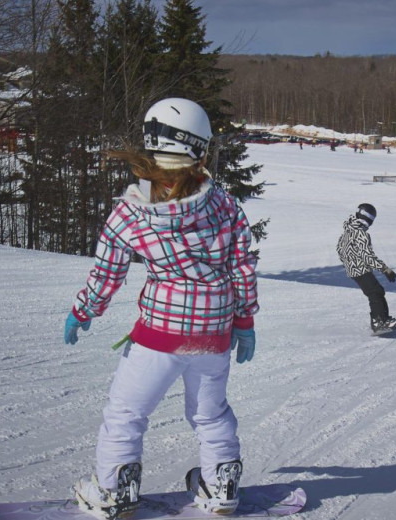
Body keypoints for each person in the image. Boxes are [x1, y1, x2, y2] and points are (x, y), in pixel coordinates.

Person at [65, 98, 259, 518]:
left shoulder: (131, 211)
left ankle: (114, 490)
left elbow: (107, 272)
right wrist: (244, 322)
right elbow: (242, 266)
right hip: (212, 335)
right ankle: (221, 487)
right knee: (210, 414)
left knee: (127, 412)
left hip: (159, 336)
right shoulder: (225, 206)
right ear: (201, 149)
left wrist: (83, 310)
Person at [336, 203, 396, 334]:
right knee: (375, 293)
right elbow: (368, 256)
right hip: (360, 269)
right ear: (367, 220)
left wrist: (348, 263)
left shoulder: (347, 231)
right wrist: (385, 269)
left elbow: (339, 249)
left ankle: (383, 319)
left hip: (353, 270)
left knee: (377, 291)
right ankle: (379, 321)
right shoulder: (361, 234)